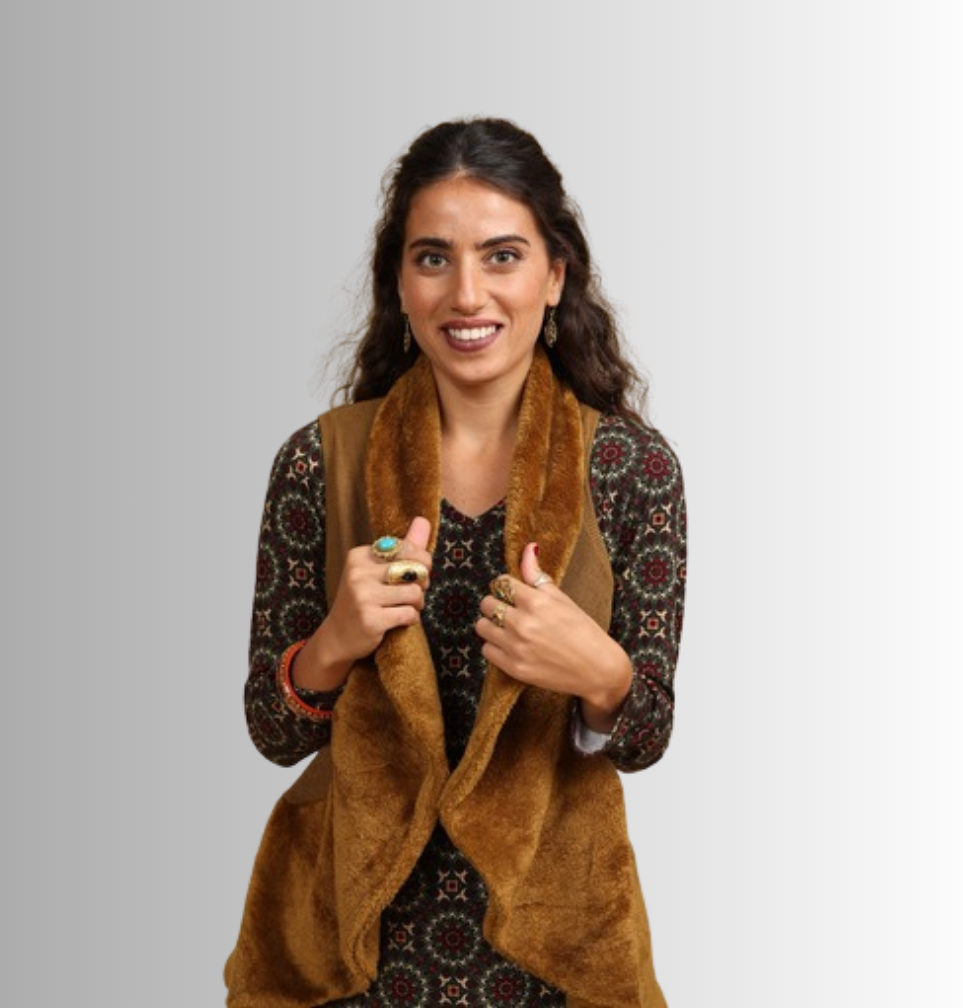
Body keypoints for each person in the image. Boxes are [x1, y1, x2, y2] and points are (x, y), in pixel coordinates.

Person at [225, 118, 687, 1008]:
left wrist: (599, 673)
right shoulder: (320, 463)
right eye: (433, 258)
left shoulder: (633, 471)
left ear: (555, 276)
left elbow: (648, 733)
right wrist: (334, 642)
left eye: (502, 256)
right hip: (349, 953)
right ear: (400, 284)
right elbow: (273, 732)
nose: (466, 293)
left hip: (555, 951)